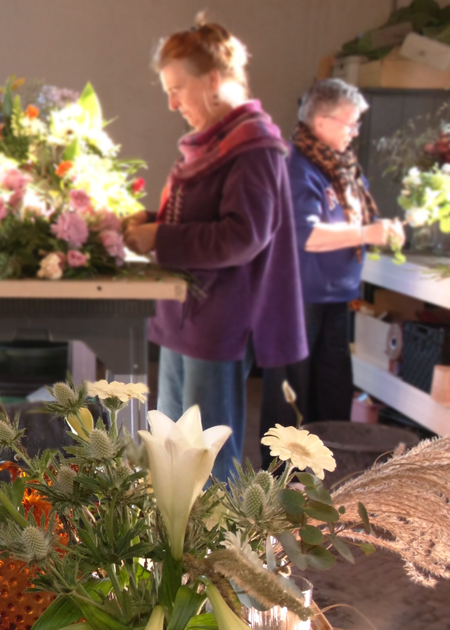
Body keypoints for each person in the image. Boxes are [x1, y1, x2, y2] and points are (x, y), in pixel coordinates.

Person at [124, 18, 307, 482]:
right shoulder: (219, 141)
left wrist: (159, 239)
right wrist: (149, 222)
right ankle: (173, 548)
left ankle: (213, 554)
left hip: (218, 321)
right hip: (185, 317)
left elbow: (242, 236)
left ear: (212, 80)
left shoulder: (254, 146)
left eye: (177, 88)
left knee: (204, 461)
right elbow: (199, 218)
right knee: (169, 449)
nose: (171, 103)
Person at [260, 79, 404, 455]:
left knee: (333, 393)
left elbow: (355, 220)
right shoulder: (297, 165)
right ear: (321, 121)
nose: (355, 133)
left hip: (336, 297)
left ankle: (329, 477)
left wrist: (380, 231)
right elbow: (309, 236)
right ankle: (276, 485)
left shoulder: (342, 167)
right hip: (298, 300)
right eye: (350, 123)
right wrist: (368, 232)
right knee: (291, 400)